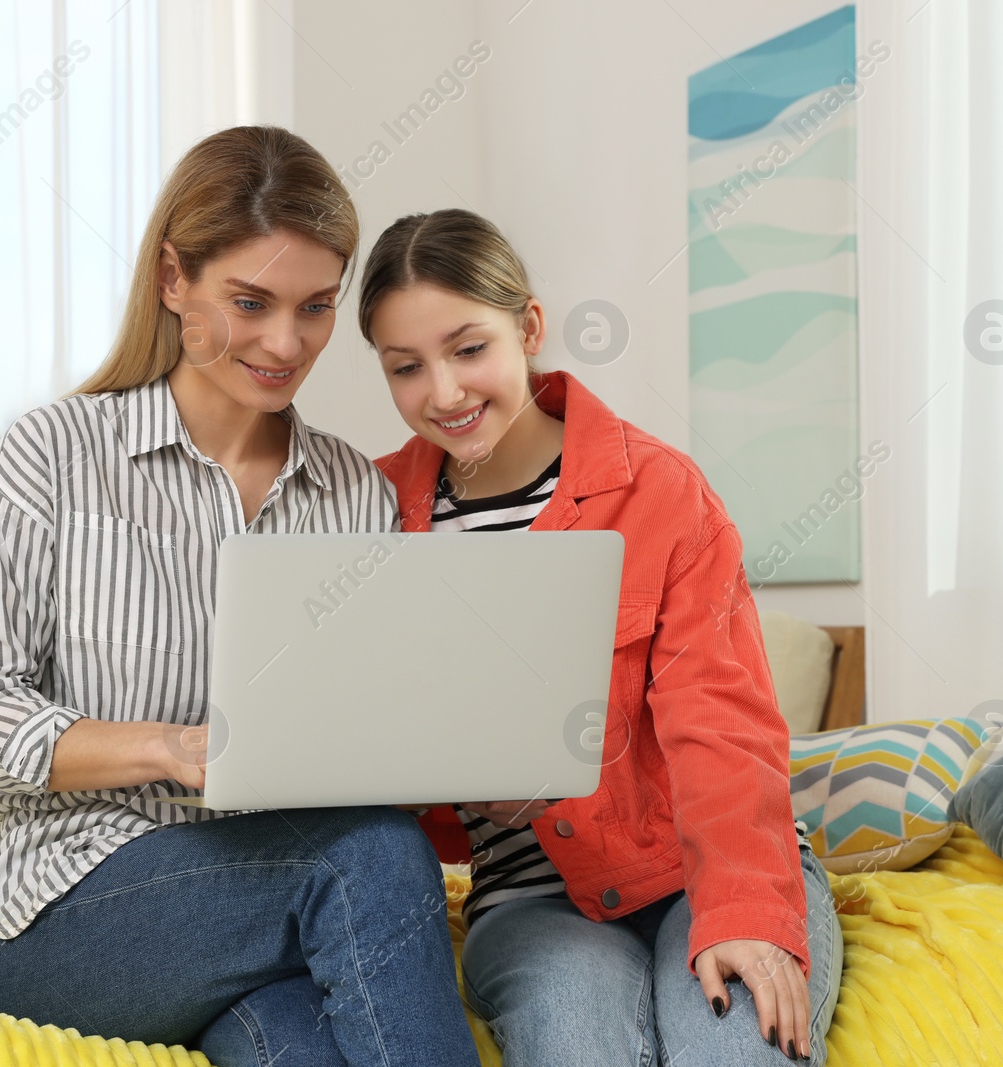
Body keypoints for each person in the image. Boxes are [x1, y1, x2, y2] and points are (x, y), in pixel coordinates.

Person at [0, 128, 482, 1067]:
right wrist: (170, 749)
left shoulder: (355, 494)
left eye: (316, 308)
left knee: (299, 1044)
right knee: (370, 856)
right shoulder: (50, 459)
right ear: (173, 281)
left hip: (260, 912)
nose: (286, 343)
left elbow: (364, 723)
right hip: (73, 912)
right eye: (251, 302)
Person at [360, 208, 844, 1065]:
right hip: (529, 902)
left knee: (730, 1049)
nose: (443, 392)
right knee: (576, 1041)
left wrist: (743, 914)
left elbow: (721, 722)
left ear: (530, 327)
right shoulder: (369, 514)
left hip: (706, 871)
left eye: (469, 348)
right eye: (407, 367)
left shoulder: (660, 490)